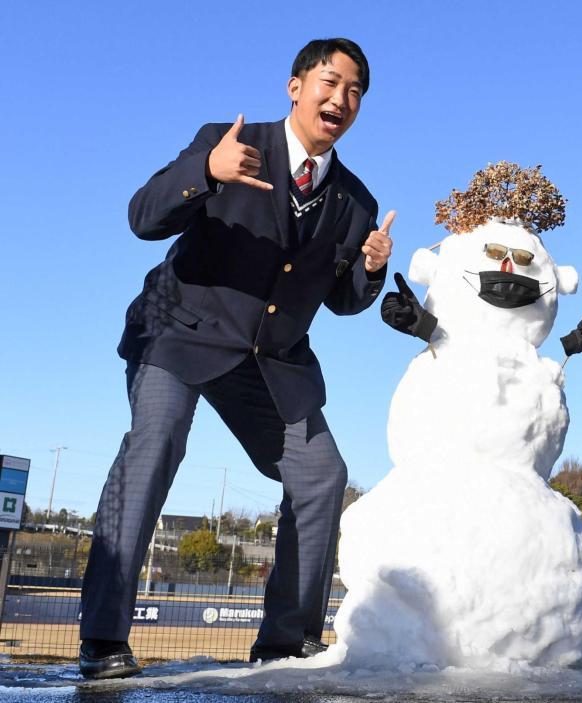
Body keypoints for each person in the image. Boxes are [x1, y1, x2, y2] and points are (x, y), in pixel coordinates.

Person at [78, 38, 394, 679]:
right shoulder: (226, 140)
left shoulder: (354, 200)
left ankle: (286, 643)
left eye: (355, 91)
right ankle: (105, 638)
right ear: (295, 86)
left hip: (270, 361)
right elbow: (142, 216)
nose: (341, 99)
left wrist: (368, 270)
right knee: (156, 442)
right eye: (330, 82)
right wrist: (207, 173)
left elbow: (341, 301)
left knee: (321, 476)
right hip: (179, 334)